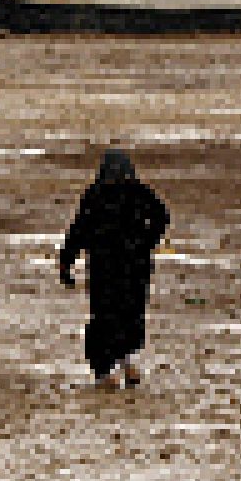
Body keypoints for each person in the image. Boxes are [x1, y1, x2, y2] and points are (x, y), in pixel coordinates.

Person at [59, 148, 170, 390]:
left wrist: (66, 262)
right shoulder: (139, 192)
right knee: (131, 313)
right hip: (135, 266)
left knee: (104, 316)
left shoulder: (95, 194)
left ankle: (105, 370)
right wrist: (147, 241)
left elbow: (78, 230)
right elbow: (162, 216)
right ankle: (127, 361)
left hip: (104, 267)